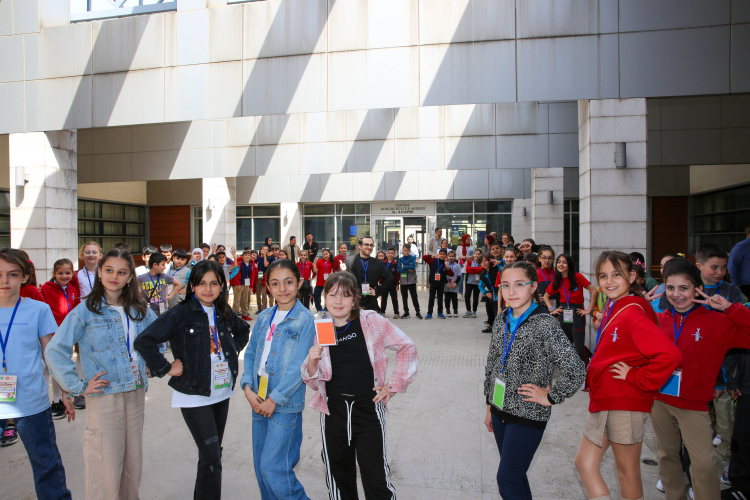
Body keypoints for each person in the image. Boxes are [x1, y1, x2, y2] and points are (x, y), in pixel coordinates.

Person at [46, 247, 157, 500]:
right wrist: (77, 386)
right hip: (105, 394)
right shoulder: (85, 310)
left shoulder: (139, 308)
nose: (114, 277)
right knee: (104, 464)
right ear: (99, 273)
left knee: (132, 462)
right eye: (108, 270)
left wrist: (151, 363)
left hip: (135, 392)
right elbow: (54, 350)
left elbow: (158, 336)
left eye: (121, 272)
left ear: (130, 277)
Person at [135, 260, 250, 500]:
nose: (208, 289)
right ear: (192, 286)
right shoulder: (181, 313)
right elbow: (144, 340)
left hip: (221, 392)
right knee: (211, 455)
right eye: (201, 283)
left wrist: (230, 351)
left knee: (212, 453)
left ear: (221, 286)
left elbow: (242, 330)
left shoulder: (223, 310)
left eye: (214, 283)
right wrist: (166, 367)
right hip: (193, 393)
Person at [574, 251, 682, 500]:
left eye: (617, 274)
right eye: (603, 276)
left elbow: (671, 356)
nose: (609, 281)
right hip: (607, 399)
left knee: (627, 473)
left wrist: (636, 376)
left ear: (632, 277)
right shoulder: (615, 305)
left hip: (625, 401)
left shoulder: (632, 312)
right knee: (584, 463)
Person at [302, 272, 418, 500]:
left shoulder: (371, 321)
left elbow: (407, 346)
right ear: (324, 297)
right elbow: (314, 382)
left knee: (376, 478)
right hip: (333, 412)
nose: (338, 301)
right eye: (332, 295)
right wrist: (312, 363)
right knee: (338, 475)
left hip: (368, 411)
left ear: (355, 298)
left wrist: (394, 385)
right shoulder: (321, 327)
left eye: (345, 296)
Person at [484, 261, 585, 499]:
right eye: (505, 285)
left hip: (528, 414)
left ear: (533, 287)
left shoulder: (545, 324)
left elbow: (576, 370)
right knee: (515, 476)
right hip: (499, 409)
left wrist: (551, 397)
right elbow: (492, 364)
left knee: (507, 478)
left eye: (519, 284)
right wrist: (489, 404)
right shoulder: (501, 319)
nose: (511, 292)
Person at [651, 258, 750, 500]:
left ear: (698, 290)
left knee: (704, 464)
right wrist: (636, 306)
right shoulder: (657, 320)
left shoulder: (717, 322)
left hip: (694, 406)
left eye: (684, 288)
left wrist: (730, 308)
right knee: (667, 457)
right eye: (670, 287)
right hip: (659, 401)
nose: (676, 294)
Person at [0, 248, 74, 500]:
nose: (4, 281)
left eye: (12, 274)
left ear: (24, 277)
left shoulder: (38, 310)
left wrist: (65, 392)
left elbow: (50, 354)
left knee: (46, 463)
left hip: (31, 401)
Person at [241, 259, 315, 500]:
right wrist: (247, 387)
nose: (282, 289)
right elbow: (251, 353)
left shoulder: (306, 320)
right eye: (275, 283)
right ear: (268, 286)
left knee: (274, 469)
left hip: (284, 403)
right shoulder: (264, 317)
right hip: (258, 398)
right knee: (261, 469)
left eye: (288, 282)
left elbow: (298, 367)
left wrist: (274, 399)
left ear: (299, 283)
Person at [40, 259, 81, 419]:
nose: (64, 276)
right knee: (49, 368)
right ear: (54, 274)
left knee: (62, 367)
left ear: (72, 273)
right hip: (51, 334)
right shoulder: (45, 289)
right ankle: (51, 401)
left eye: (68, 273)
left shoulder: (73, 289)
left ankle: (61, 400)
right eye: (60, 273)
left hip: (67, 334)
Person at [543, 253, 598, 363]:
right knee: (565, 345)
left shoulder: (578, 277)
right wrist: (552, 309)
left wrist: (589, 310)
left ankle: (583, 370)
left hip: (577, 312)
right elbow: (546, 296)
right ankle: (569, 369)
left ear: (569, 264)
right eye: (559, 262)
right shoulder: (557, 280)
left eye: (564, 262)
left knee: (578, 346)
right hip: (563, 312)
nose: (561, 264)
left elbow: (594, 291)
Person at [343, 236, 395, 312]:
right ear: (360, 246)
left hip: (370, 302)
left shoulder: (377, 263)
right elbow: (341, 280)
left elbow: (390, 278)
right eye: (366, 244)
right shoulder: (349, 261)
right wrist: (343, 272)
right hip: (353, 301)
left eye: (371, 245)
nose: (369, 247)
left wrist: (378, 291)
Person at [138, 253, 181, 318]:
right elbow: (133, 287)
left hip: (163, 310)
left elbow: (178, 284)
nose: (165, 267)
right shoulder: (141, 278)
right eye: (163, 265)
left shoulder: (164, 277)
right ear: (155, 265)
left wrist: (170, 296)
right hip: (148, 310)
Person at [423, 248, 450, 319]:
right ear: (438, 254)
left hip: (441, 284)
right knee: (431, 298)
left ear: (446, 255)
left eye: (444, 254)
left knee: (440, 298)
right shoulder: (433, 260)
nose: (442, 255)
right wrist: (430, 256)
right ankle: (429, 313)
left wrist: (448, 269)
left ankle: (440, 313)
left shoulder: (446, 264)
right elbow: (423, 257)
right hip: (433, 283)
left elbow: (448, 274)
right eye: (441, 254)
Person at [397, 243, 421, 320]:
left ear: (410, 251)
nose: (406, 252)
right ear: (402, 251)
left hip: (412, 281)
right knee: (404, 298)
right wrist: (408, 270)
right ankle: (406, 312)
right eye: (405, 250)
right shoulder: (400, 259)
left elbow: (413, 267)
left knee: (414, 297)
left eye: (408, 250)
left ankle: (418, 312)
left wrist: (404, 267)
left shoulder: (412, 258)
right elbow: (398, 269)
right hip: (403, 282)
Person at [232, 249, 256, 321]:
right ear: (242, 257)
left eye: (248, 255)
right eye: (246, 255)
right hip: (239, 285)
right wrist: (238, 284)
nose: (247, 256)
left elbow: (252, 276)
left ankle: (244, 314)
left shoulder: (251, 265)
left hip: (246, 285)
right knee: (237, 300)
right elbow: (235, 274)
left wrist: (250, 287)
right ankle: (234, 315)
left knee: (245, 300)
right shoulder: (239, 264)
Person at [729, 225, 750, 299]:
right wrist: (735, 284)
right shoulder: (740, 247)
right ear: (748, 233)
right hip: (746, 284)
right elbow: (732, 266)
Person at [479, 253, 499, 333]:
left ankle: (499, 328)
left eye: (485, 260)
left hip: (499, 294)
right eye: (481, 261)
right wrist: (486, 293)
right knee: (490, 311)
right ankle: (491, 326)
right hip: (491, 295)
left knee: (498, 312)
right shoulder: (483, 273)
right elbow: (480, 286)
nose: (484, 263)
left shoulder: (496, 268)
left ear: (490, 261)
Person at [380, 247, 400, 319]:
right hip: (384, 284)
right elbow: (381, 273)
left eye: (392, 253)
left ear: (394, 254)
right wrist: (380, 282)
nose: (390, 254)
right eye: (389, 253)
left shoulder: (395, 264)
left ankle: (396, 313)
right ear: (387, 254)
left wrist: (397, 284)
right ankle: (382, 312)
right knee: (383, 299)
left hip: (393, 285)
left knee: (394, 299)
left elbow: (397, 275)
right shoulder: (383, 263)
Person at [314, 248, 335, 315]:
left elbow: (334, 270)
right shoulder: (319, 262)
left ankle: (327, 308)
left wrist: (332, 273)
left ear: (329, 254)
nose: (325, 255)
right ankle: (319, 309)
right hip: (320, 282)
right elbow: (315, 270)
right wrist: (314, 263)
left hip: (328, 282)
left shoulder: (331, 262)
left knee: (328, 296)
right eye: (324, 254)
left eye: (326, 254)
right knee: (316, 295)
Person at [463, 249, 483, 318]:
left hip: (477, 283)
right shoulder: (469, 262)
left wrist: (473, 269)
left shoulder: (482, 262)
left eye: (479, 254)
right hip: (469, 282)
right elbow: (468, 270)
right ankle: (468, 310)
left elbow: (482, 269)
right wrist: (478, 269)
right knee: (467, 296)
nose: (477, 255)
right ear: (473, 254)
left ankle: (474, 311)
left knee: (476, 297)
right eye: (476, 253)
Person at [444, 250, 462, 317]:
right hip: (447, 285)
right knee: (447, 298)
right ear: (447, 256)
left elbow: (459, 275)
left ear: (455, 257)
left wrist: (455, 283)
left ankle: (455, 310)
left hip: (454, 285)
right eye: (450, 256)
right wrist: (446, 283)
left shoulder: (457, 266)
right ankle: (448, 310)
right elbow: (443, 275)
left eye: (453, 256)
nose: (451, 257)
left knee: (454, 298)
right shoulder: (445, 264)